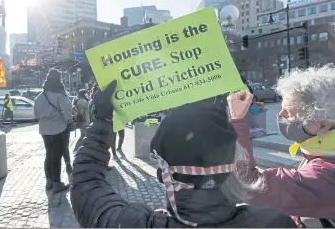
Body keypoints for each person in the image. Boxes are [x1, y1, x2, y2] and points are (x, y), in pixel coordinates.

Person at [70, 80, 297, 228]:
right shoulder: (274, 222)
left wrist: (101, 122)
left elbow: (86, 183)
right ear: (232, 164)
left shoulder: (130, 223)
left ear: (163, 173)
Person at [230, 64, 335, 227]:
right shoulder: (325, 151)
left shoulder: (322, 176)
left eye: (290, 114)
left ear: (322, 126)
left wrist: (237, 120)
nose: (280, 116)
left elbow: (246, 184)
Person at [34, 68, 72, 194]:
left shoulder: (39, 97)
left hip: (44, 130)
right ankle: (57, 184)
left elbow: (36, 114)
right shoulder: (60, 95)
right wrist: (67, 120)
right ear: (58, 80)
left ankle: (49, 181)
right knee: (56, 156)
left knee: (49, 154)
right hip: (59, 129)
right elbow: (68, 112)